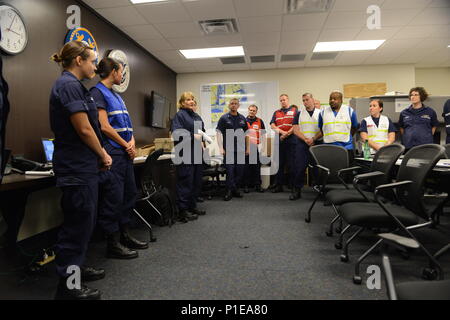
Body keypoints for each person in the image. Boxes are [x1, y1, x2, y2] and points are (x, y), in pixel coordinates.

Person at [50, 41, 112, 300]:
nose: (95, 66)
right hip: (76, 167)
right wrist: (103, 153)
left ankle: (77, 270)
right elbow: (85, 129)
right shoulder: (68, 86)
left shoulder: (76, 87)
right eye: (92, 61)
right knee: (77, 227)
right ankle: (69, 287)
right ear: (78, 60)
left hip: (83, 167)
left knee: (84, 224)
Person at [90, 57, 148, 260]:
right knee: (113, 198)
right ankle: (112, 243)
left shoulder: (117, 96)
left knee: (128, 194)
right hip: (113, 153)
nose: (122, 75)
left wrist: (131, 142)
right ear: (113, 71)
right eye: (121, 71)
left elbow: (126, 124)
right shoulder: (97, 93)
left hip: (125, 153)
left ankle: (125, 234)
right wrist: (125, 145)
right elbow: (104, 126)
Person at [171, 92, 206, 222]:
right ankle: (183, 211)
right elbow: (176, 134)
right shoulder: (180, 115)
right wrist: (192, 136)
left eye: (192, 99)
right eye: (188, 99)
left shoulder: (196, 116)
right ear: (182, 102)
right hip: (185, 154)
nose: (191, 101)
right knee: (185, 182)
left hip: (197, 154)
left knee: (196, 182)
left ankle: (192, 206)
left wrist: (203, 140)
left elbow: (202, 131)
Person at [217, 98, 248, 201]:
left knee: (240, 171)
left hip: (240, 150)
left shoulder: (243, 118)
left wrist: (247, 148)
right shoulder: (224, 118)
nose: (233, 105)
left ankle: (235, 189)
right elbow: (218, 133)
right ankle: (229, 191)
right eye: (232, 104)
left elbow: (247, 135)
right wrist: (221, 148)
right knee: (230, 171)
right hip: (229, 150)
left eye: (235, 104)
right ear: (229, 105)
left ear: (238, 106)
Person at [292, 93, 322, 200]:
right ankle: (297, 190)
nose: (305, 102)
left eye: (307, 99)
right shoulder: (299, 114)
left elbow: (324, 130)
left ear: (312, 100)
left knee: (318, 169)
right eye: (303, 100)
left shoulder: (321, 113)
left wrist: (313, 139)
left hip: (317, 143)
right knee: (299, 167)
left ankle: (320, 191)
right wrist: (306, 139)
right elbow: (295, 130)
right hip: (302, 144)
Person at [317, 91, 359, 164]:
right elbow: (322, 128)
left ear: (341, 100)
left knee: (346, 171)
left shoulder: (349, 111)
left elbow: (355, 127)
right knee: (330, 171)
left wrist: (347, 136)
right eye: (330, 98)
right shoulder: (323, 112)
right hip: (328, 148)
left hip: (346, 147)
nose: (332, 100)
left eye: (335, 98)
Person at [270, 94, 298, 195]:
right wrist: (282, 133)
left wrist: (287, 134)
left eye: (284, 100)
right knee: (279, 164)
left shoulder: (295, 111)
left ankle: (293, 186)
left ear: (288, 100)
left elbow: (296, 125)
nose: (283, 102)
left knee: (292, 164)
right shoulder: (276, 112)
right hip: (279, 141)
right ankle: (279, 185)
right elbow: (272, 125)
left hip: (291, 141)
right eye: (281, 100)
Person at [398, 87, 439, 152]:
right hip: (408, 146)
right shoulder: (404, 113)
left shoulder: (430, 111)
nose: (413, 97)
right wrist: (407, 137)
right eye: (411, 95)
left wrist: (426, 136)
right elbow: (402, 128)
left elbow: (434, 126)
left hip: (425, 145)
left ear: (421, 96)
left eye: (416, 95)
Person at [243, 104, 265, 193]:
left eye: (253, 110)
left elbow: (263, 134)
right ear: (248, 110)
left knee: (256, 167)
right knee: (246, 167)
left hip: (254, 147)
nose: (252, 112)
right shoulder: (243, 121)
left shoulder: (260, 121)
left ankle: (258, 185)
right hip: (245, 147)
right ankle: (246, 185)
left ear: (256, 112)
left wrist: (263, 147)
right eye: (250, 110)